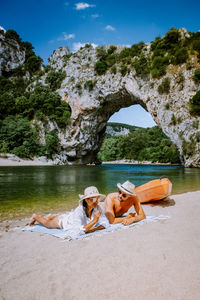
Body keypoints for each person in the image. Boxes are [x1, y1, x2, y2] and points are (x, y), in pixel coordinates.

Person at [29, 186, 109, 235]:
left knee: (55, 218)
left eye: (97, 198)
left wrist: (92, 229)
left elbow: (105, 223)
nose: (97, 201)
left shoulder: (97, 207)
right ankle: (35, 217)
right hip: (64, 222)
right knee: (47, 223)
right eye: (94, 199)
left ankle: (50, 217)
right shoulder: (79, 211)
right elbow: (77, 232)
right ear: (87, 200)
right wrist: (94, 221)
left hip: (71, 217)